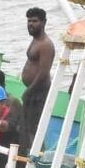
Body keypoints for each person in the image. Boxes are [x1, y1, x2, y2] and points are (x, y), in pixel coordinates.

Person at [20, 8, 54, 147]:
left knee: (35, 127)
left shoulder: (46, 44)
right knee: (26, 126)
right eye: (29, 21)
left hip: (39, 92)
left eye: (35, 21)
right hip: (32, 90)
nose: (31, 24)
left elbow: (43, 73)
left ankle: (37, 156)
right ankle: (29, 154)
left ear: (44, 22)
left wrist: (29, 92)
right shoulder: (35, 40)